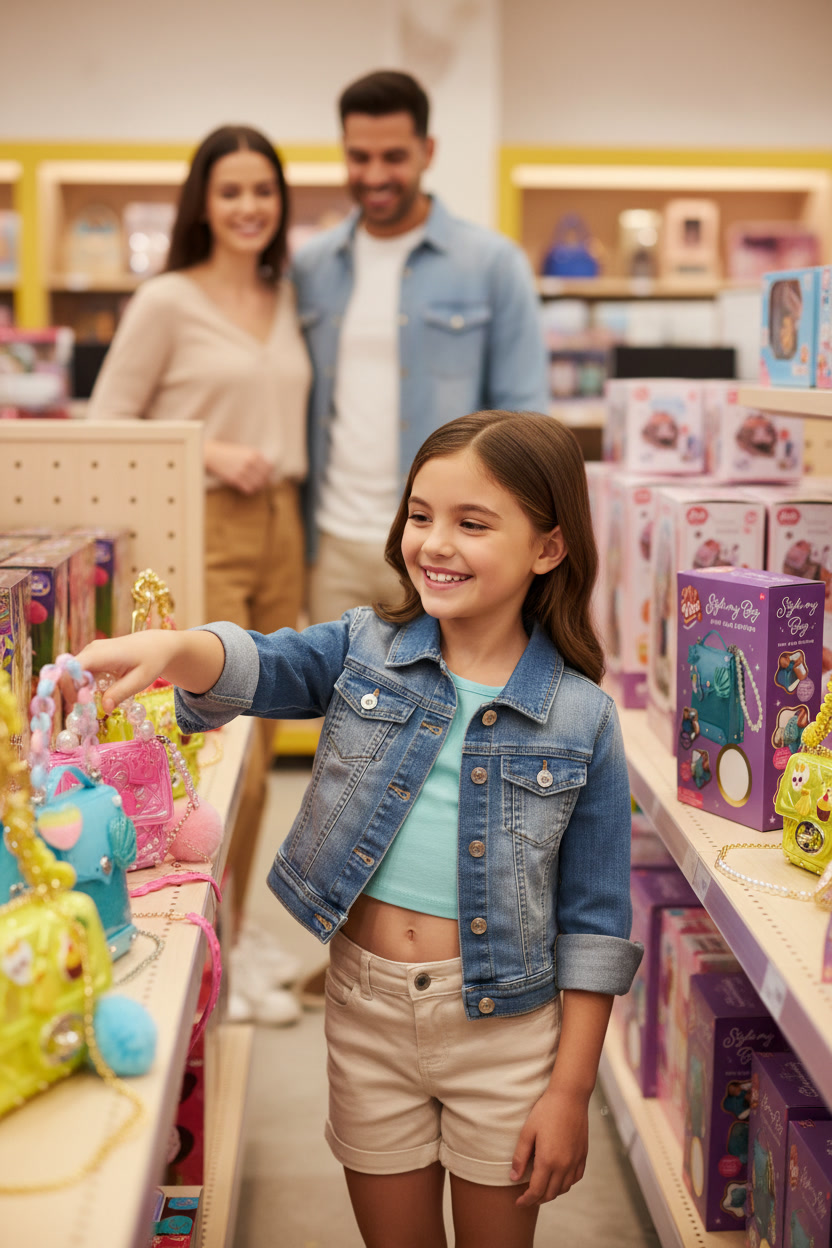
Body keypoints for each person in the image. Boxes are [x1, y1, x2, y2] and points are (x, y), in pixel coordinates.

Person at [73, 409, 642, 1248]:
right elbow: (266, 664)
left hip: (508, 1033)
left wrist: (567, 1091)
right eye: (420, 515)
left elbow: (596, 921)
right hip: (367, 1014)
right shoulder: (366, 649)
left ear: (549, 547)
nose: (434, 543)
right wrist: (175, 644)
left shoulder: (583, 717)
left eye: (471, 523)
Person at [87, 127, 311, 1013]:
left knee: (275, 727)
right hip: (203, 519)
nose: (250, 207)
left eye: (264, 190)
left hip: (282, 523)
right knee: (225, 743)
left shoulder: (285, 295)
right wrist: (211, 451)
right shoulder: (168, 300)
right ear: (202, 203)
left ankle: (243, 937)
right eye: (231, 192)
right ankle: (211, 944)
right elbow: (108, 420)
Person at [292, 69, 549, 626]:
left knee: (442, 709)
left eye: (394, 156)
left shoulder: (492, 264)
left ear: (427, 151)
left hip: (446, 550)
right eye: (359, 157)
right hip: (330, 544)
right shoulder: (311, 267)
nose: (375, 174)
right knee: (332, 709)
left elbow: (527, 418)